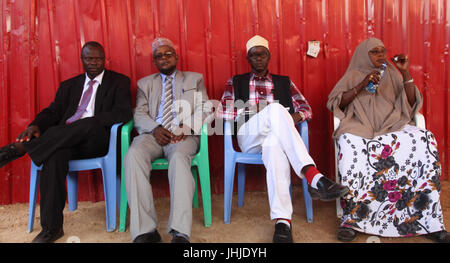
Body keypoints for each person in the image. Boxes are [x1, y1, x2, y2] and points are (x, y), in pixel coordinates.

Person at [217, 35, 349, 243]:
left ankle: (282, 222)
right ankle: (312, 175)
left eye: (262, 55)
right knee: (276, 109)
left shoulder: (284, 82)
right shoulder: (237, 81)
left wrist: (289, 117)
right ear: (248, 59)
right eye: (254, 55)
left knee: (274, 143)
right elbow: (223, 112)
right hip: (249, 136)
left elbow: (306, 109)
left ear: (269, 57)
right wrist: (258, 112)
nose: (258, 58)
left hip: (276, 135)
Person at [0, 41, 133, 243]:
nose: (94, 63)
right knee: (54, 155)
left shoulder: (119, 81)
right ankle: (51, 229)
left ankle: (22, 148)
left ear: (104, 59)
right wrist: (35, 125)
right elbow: (53, 112)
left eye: (98, 59)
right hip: (66, 141)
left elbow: (122, 112)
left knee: (88, 123)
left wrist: (94, 121)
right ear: (82, 60)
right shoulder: (69, 85)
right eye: (90, 59)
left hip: (97, 141)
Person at [327, 37, 449, 242]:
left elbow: (411, 103)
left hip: (393, 125)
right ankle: (353, 220)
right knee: (350, 148)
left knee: (425, 140)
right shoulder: (353, 75)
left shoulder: (393, 73)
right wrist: (363, 84)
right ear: (364, 55)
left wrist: (405, 72)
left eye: (383, 51)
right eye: (374, 52)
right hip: (360, 127)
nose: (381, 55)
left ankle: (428, 220)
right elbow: (335, 103)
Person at [124, 37, 210, 243]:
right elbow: (139, 113)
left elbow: (205, 108)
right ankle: (145, 231)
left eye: (167, 54)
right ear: (154, 62)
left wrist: (186, 127)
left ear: (176, 57)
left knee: (179, 160)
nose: (163, 58)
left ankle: (180, 232)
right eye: (158, 56)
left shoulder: (194, 79)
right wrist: (155, 128)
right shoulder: (145, 84)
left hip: (183, 135)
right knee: (133, 155)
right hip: (153, 134)